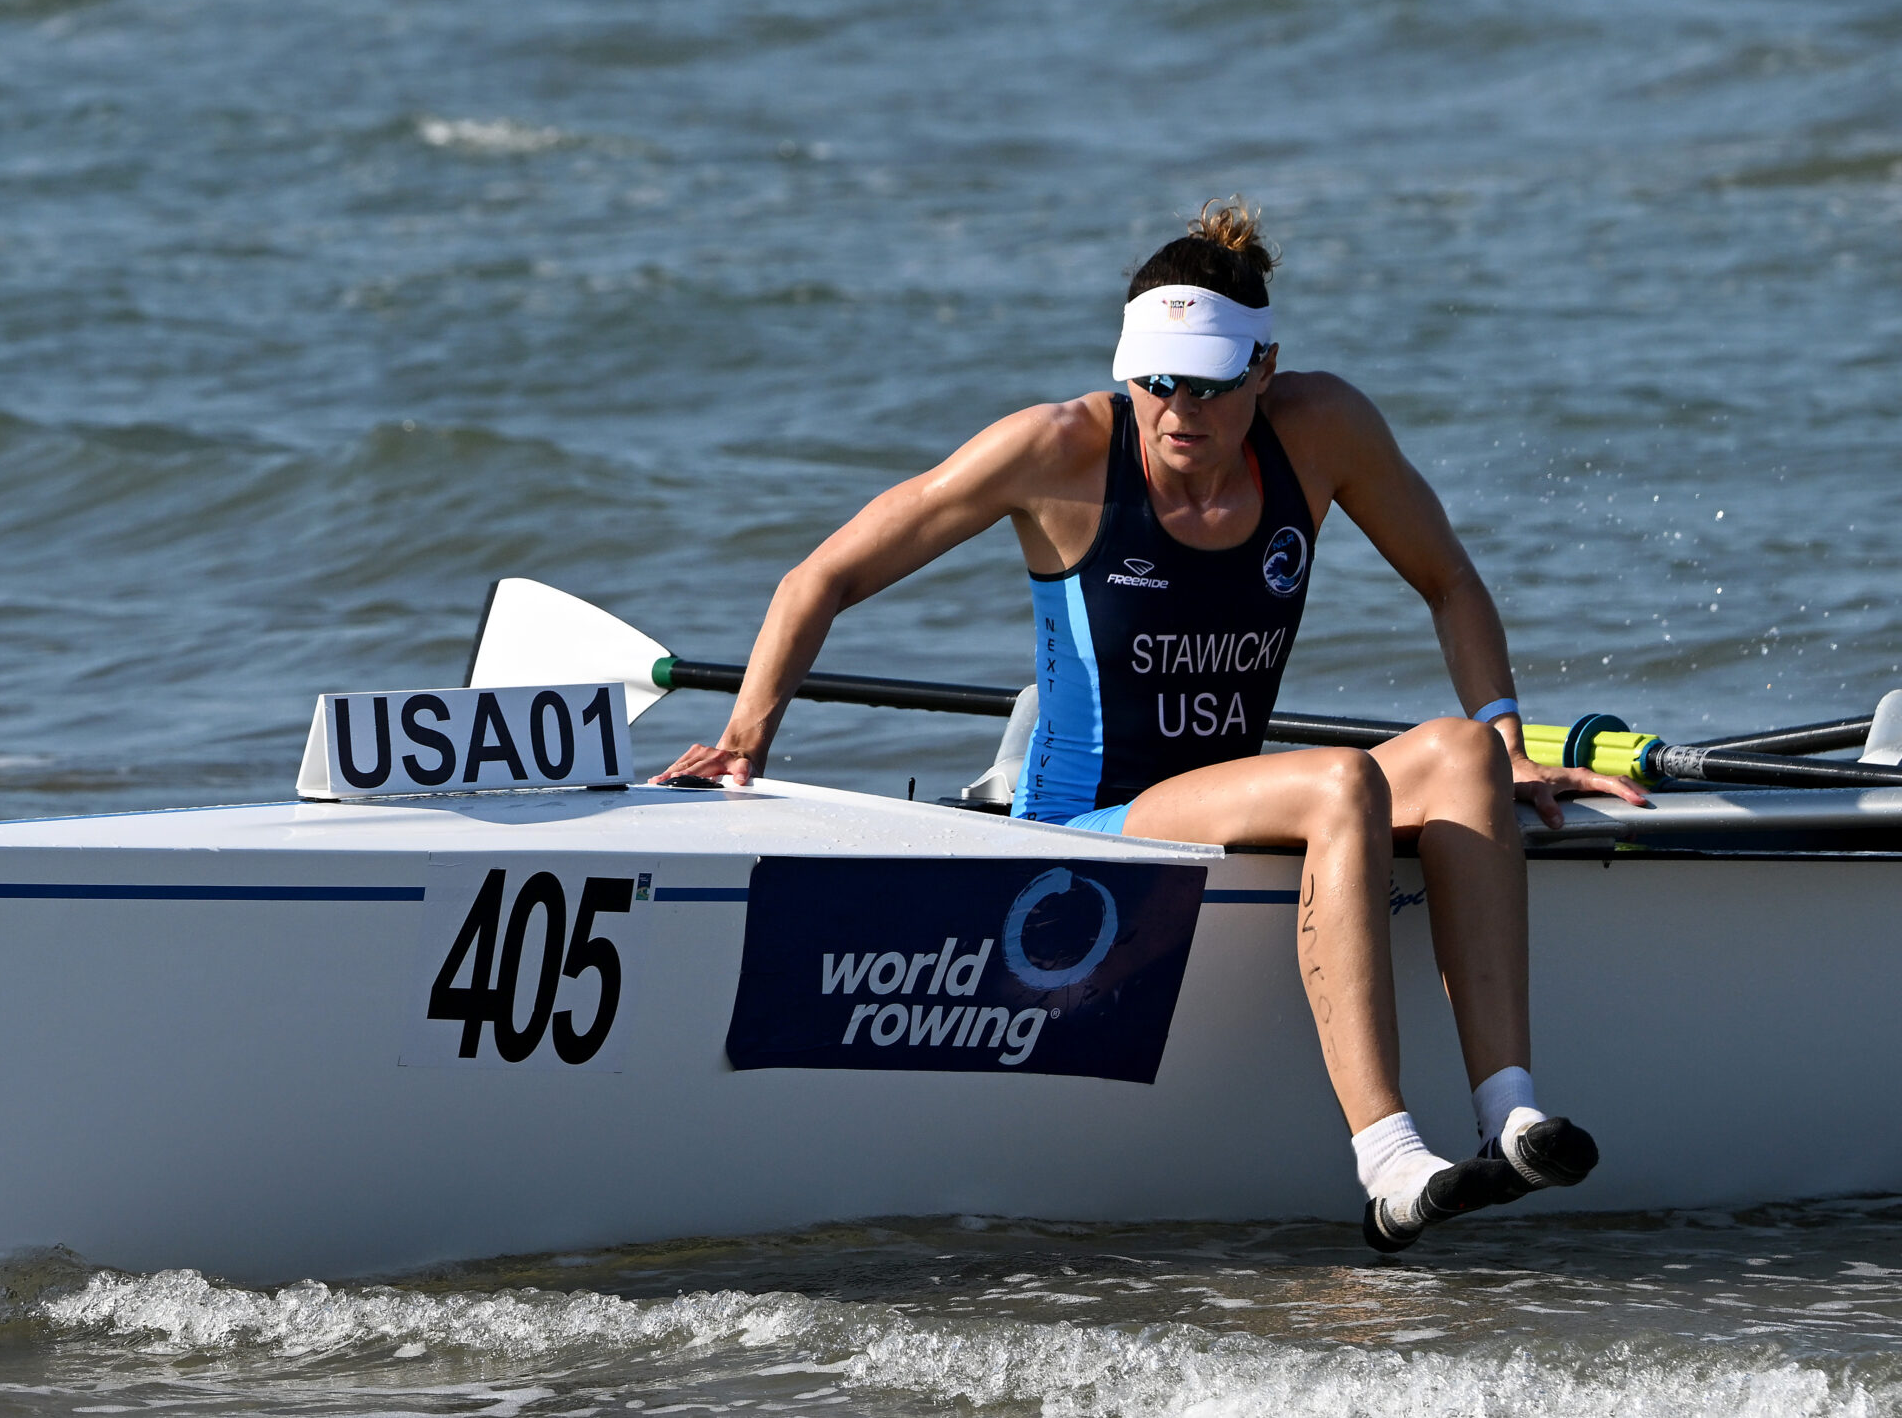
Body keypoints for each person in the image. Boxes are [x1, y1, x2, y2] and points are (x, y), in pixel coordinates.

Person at [654, 199, 1647, 1251]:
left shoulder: (1322, 433)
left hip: (1230, 795)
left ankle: (1510, 1114)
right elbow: (827, 572)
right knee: (1343, 782)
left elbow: (1448, 579)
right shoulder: (1055, 451)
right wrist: (746, 737)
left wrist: (1505, 737)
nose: (1177, 408)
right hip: (1089, 827)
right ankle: (1389, 1161)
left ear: (1263, 371)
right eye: (1155, 379)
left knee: (1459, 754)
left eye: (1209, 384)